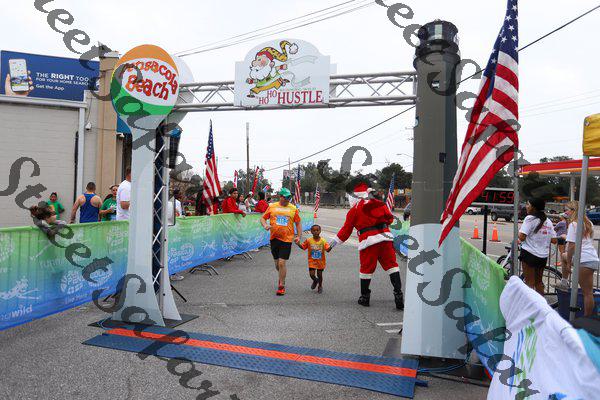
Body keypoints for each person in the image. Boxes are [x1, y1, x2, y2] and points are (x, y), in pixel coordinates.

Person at [328, 182, 404, 309]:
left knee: (366, 269)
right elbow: (390, 219)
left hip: (368, 241)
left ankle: (365, 297)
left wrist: (332, 244)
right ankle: (398, 295)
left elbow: (345, 231)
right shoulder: (380, 203)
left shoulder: (354, 210)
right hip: (385, 238)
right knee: (392, 266)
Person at [558, 201, 599, 316]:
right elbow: (584, 240)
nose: (565, 212)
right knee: (588, 292)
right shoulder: (589, 223)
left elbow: (572, 245)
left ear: (573, 211)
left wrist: (568, 263)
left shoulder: (574, 224)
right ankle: (564, 282)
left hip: (583, 259)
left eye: (567, 210)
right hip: (592, 258)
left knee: (587, 293)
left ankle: (586, 318)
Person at [260, 188, 302, 296]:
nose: (288, 199)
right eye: (286, 197)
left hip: (287, 239)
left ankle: (281, 285)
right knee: (277, 264)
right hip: (274, 238)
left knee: (282, 263)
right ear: (281, 196)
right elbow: (263, 218)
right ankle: (281, 277)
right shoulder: (272, 206)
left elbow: (298, 223)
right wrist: (265, 225)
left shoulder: (293, 208)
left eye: (289, 197)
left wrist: (298, 236)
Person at [518, 198, 557, 296]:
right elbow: (554, 240)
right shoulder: (548, 221)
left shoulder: (530, 219)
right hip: (542, 256)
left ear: (534, 207)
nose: (526, 206)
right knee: (538, 282)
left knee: (529, 283)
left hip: (529, 254)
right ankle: (542, 304)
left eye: (528, 204)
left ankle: (528, 305)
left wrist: (519, 232)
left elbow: (522, 237)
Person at [295, 224, 331, 293]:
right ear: (311, 231)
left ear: (320, 231)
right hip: (312, 261)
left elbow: (328, 249)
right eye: (314, 230)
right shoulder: (309, 240)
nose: (316, 232)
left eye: (317, 230)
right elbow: (303, 247)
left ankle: (320, 286)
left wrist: (331, 246)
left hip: (320, 261)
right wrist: (298, 244)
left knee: (319, 275)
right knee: (312, 275)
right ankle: (315, 280)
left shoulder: (323, 241)